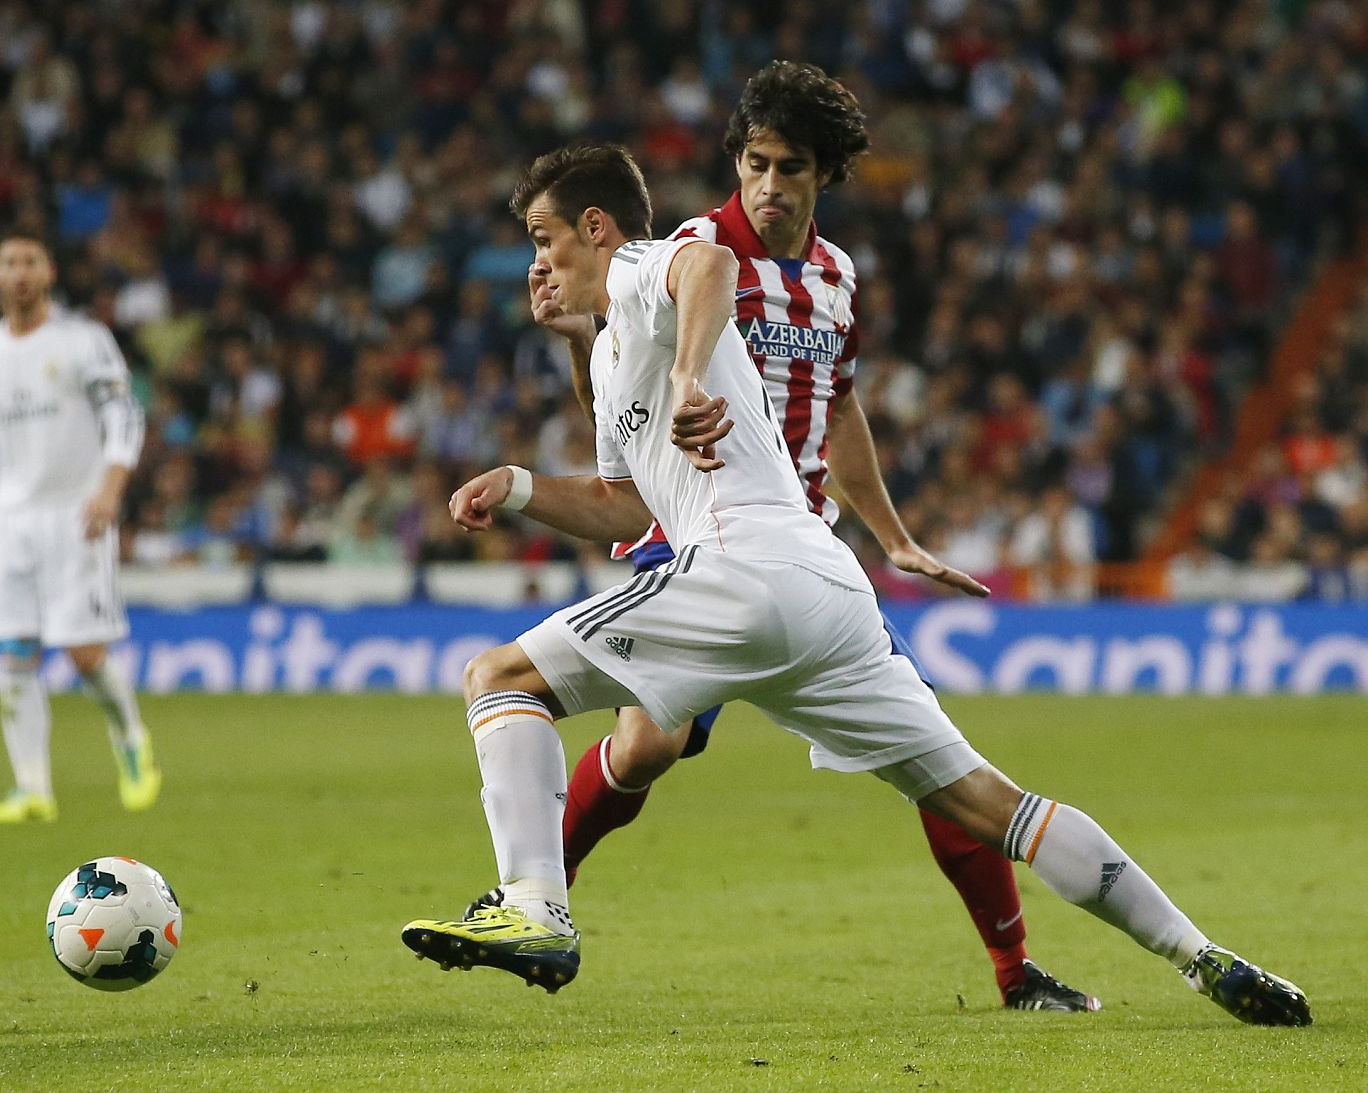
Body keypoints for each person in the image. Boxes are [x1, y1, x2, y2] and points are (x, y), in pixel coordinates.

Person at [400, 143, 1310, 1028]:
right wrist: (516, 484)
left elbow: (709, 264)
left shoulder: (647, 263)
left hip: (740, 568)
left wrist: (686, 378)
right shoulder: (609, 349)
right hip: (826, 592)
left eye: (540, 235)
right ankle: (1199, 953)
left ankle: (533, 903)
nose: (537, 258)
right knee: (992, 803)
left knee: (500, 680)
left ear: (594, 226)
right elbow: (620, 502)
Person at [468, 61, 1092, 1011]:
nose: (766, 185)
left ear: (823, 176)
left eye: (788, 168)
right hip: (698, 538)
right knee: (644, 748)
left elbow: (837, 410)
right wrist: (580, 343)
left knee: (938, 765)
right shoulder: (688, 250)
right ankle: (537, 899)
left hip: (807, 552)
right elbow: (622, 423)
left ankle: (1015, 972)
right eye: (754, 164)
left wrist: (894, 534)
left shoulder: (837, 278)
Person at [0, 232, 161, 823]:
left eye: (30, 261)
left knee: (84, 651)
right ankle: (32, 787)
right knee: (14, 652)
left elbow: (123, 416)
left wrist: (110, 489)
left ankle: (131, 739)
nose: (20, 273)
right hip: (10, 520)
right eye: (8, 262)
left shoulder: (84, 341)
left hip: (76, 513)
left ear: (50, 272)